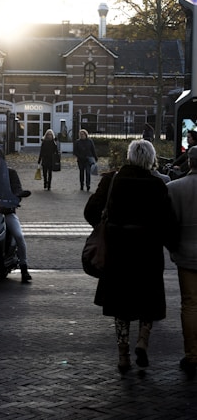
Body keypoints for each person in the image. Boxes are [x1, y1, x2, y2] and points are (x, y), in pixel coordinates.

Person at [84, 139, 178, 373]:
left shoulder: (112, 180)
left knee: (121, 306)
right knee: (149, 300)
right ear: (151, 158)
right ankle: (143, 341)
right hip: (148, 253)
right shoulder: (157, 185)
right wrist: (173, 246)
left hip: (119, 253)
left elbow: (90, 212)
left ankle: (123, 355)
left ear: (129, 156)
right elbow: (168, 223)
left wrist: (107, 226)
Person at [167, 145, 197, 377]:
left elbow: (168, 225)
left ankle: (192, 355)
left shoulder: (174, 189)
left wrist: (173, 248)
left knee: (189, 304)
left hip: (186, 255)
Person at [0, 147, 32, 283]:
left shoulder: (10, 173)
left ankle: (24, 267)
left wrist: (16, 196)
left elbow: (17, 188)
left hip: (6, 212)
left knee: (19, 236)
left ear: (2, 159)